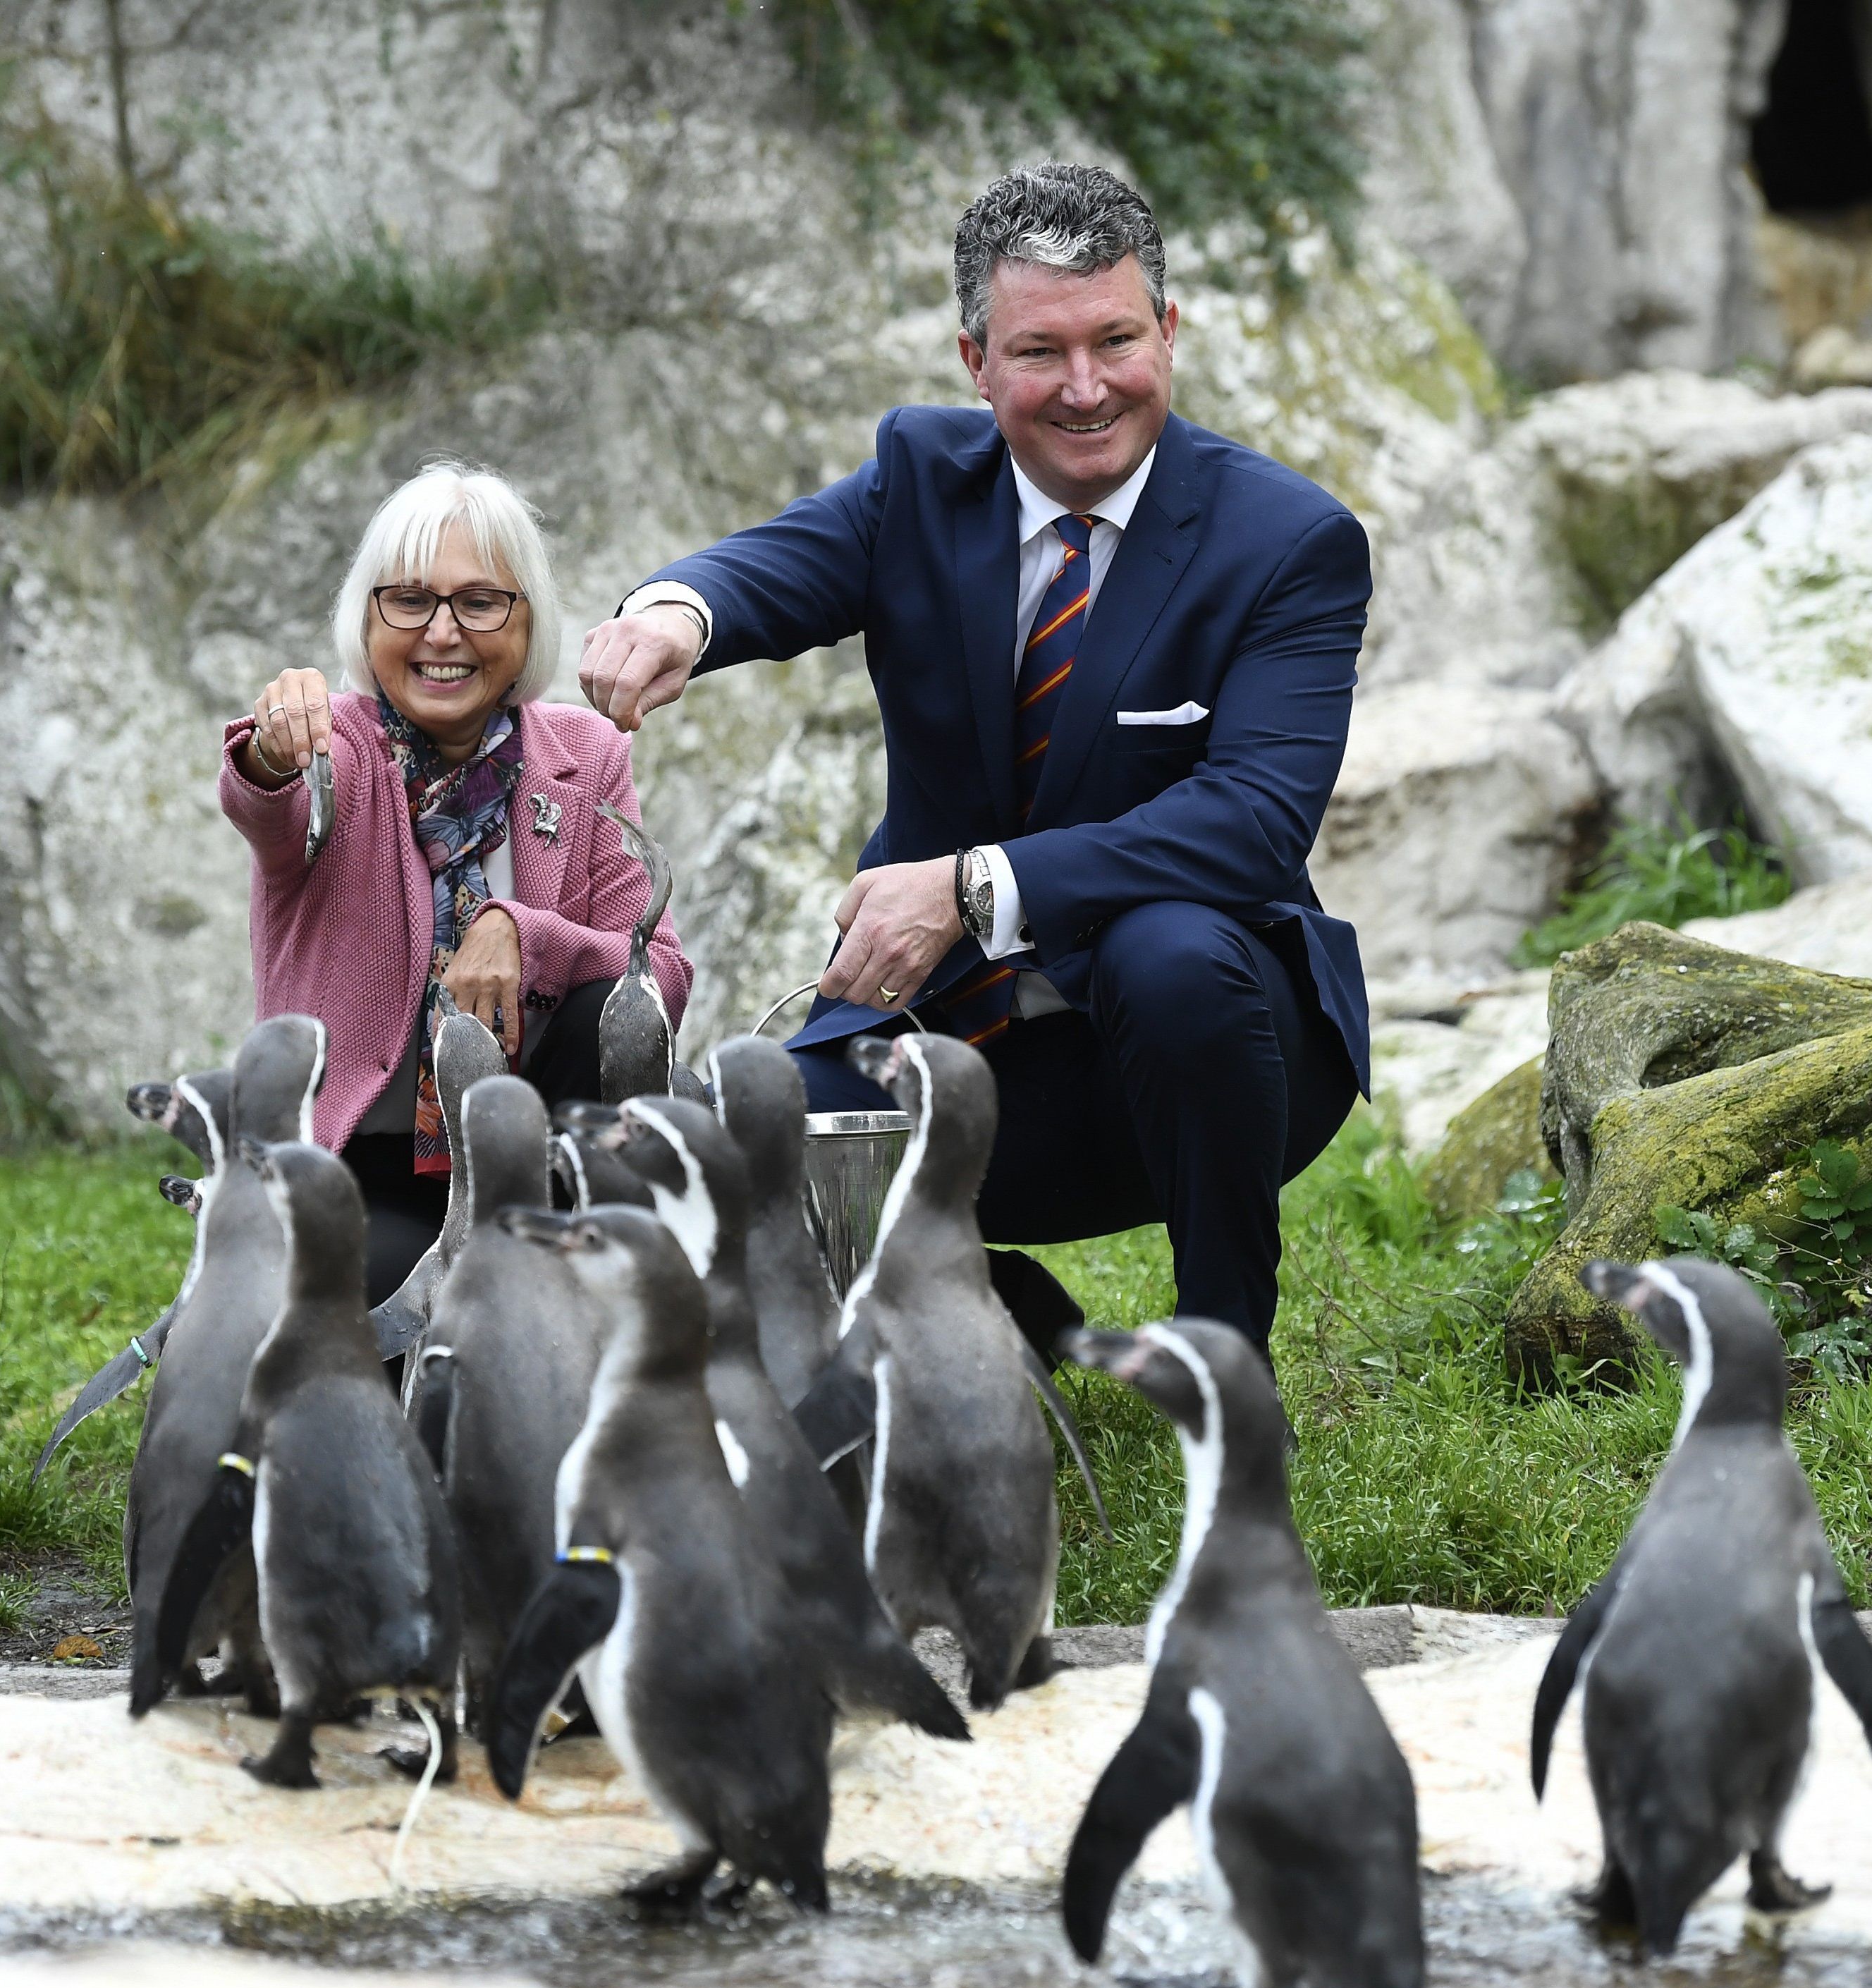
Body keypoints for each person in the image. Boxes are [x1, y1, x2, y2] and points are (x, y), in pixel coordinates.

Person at [576, 164, 1366, 1351]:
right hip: (953, 1055)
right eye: (1040, 352)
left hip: (1209, 1060)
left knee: (1173, 949)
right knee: (737, 1152)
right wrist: (674, 614)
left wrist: (967, 886)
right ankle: (983, 1317)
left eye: (1116, 340)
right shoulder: (918, 480)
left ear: (1169, 330)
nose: (1087, 388)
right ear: (974, 362)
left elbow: (1253, 822)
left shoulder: (1290, 541)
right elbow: (769, 568)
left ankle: (1225, 1365)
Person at [223, 461, 690, 1305]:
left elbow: (662, 978)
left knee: (605, 995)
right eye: (408, 600)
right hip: (359, 1171)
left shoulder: (586, 757)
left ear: (526, 622)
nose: (443, 634)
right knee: (401, 1341)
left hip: (537, 1156)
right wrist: (271, 745)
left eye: (479, 603)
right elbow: (265, 800)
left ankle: (572, 1280)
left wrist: (525, 933)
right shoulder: (335, 749)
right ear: (366, 618)